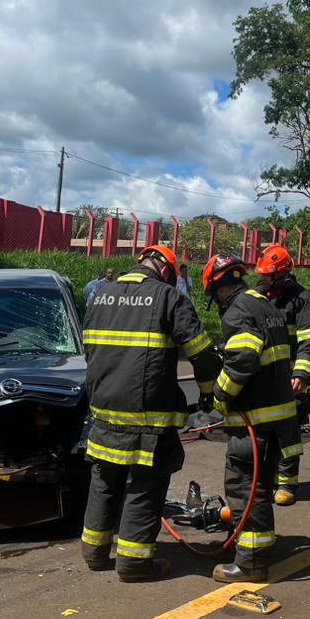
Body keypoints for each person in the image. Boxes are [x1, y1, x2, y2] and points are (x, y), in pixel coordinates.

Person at [81, 245, 221, 582]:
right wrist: (206, 395)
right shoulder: (168, 298)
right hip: (148, 419)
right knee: (147, 482)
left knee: (105, 479)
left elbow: (89, 349)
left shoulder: (101, 295)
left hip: (103, 412)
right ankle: (133, 563)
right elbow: (202, 354)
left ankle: (95, 553)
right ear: (167, 272)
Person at [204, 252, 301, 582]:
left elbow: (244, 358)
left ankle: (250, 563)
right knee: (260, 487)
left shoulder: (238, 310)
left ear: (219, 288)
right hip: (277, 418)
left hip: (254, 421)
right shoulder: (264, 304)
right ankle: (260, 548)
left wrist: (220, 394)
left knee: (245, 488)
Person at [254, 243, 310, 507]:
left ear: (281, 274)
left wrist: (302, 374)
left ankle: (286, 483)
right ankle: (266, 478)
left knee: (288, 431)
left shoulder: (303, 299)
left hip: (290, 376)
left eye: (267, 275)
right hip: (264, 375)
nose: (262, 279)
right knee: (263, 429)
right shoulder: (258, 296)